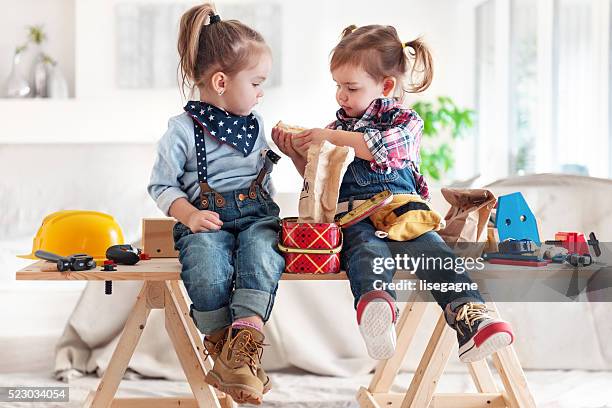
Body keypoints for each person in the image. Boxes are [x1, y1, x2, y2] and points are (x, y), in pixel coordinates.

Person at [273, 24, 514, 363]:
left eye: (351, 87)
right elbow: (322, 182)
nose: (341, 96)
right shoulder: (334, 129)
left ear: (385, 86)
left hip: (403, 210)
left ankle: (471, 318)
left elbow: (381, 148)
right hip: (353, 215)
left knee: (434, 252)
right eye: (338, 86)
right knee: (365, 252)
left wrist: (326, 139)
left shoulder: (404, 121)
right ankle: (377, 307)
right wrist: (299, 155)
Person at [148, 3, 283, 404]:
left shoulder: (256, 123)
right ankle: (225, 347)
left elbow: (265, 175)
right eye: (257, 82)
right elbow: (160, 185)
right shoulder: (183, 129)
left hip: (257, 215)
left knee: (261, 254)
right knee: (205, 265)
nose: (262, 93)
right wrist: (187, 214)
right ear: (222, 81)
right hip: (207, 220)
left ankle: (245, 338)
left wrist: (293, 154)